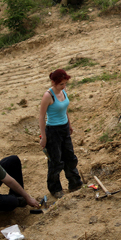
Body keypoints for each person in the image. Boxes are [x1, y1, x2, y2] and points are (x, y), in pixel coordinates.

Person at [38, 69, 83, 198]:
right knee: (55, 161)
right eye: (61, 84)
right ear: (53, 83)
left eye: (65, 83)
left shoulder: (63, 92)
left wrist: (69, 124)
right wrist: (44, 137)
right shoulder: (48, 96)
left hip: (64, 128)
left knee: (70, 157)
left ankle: (75, 183)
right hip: (53, 131)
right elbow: (41, 117)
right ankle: (55, 188)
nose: (64, 86)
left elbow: (64, 109)